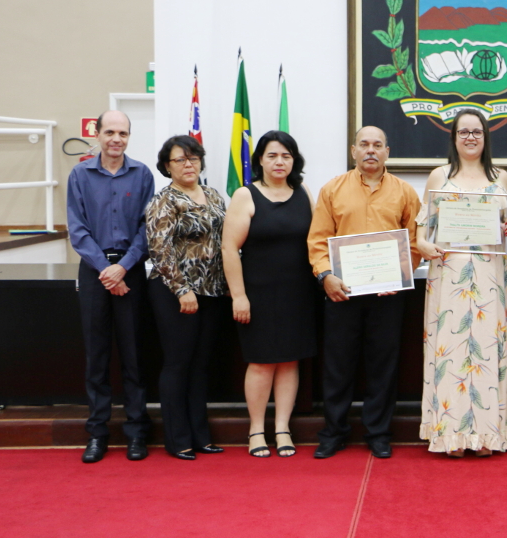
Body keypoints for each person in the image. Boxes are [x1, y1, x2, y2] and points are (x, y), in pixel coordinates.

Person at [307, 126, 421, 459]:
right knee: (338, 365)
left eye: (378, 145)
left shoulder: (404, 193)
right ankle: (334, 431)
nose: (371, 151)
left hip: (388, 296)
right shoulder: (332, 190)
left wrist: (400, 276)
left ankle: (378, 432)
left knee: (383, 364)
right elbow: (317, 240)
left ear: (388, 152)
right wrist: (326, 276)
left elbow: (414, 243)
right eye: (364, 145)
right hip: (342, 293)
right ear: (353, 150)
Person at [417, 111, 507, 457]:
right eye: (464, 132)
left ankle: (488, 435)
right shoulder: (439, 176)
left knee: (487, 353)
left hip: (489, 275)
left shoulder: (500, 178)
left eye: (477, 132)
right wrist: (424, 245)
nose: (471, 138)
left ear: (486, 136)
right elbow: (422, 227)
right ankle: (452, 437)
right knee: (452, 353)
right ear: (454, 137)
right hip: (448, 277)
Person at [222, 131, 318, 458]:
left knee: (290, 361)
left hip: (298, 293)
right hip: (257, 295)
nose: (280, 162)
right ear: (260, 159)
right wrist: (239, 296)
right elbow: (229, 249)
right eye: (273, 155)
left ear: (294, 160)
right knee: (262, 363)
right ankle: (256, 430)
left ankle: (282, 427)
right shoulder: (245, 196)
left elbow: (317, 241)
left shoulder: (304, 192)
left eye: (286, 156)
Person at [66, 110, 154, 463]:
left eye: (123, 133)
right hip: (94, 272)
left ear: (129, 137)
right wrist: (106, 271)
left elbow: (147, 230)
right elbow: (77, 229)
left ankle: (136, 433)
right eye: (110, 132)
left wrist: (122, 268)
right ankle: (98, 433)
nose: (116, 139)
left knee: (134, 357)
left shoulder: (143, 173)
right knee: (97, 358)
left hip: (130, 270)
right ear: (98, 135)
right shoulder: (80, 174)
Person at [146, 135, 229, 460]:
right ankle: (178, 438)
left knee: (200, 366)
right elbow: (159, 249)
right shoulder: (163, 200)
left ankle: (201, 436)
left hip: (212, 290)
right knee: (178, 364)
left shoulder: (212, 195)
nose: (188, 164)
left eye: (193, 158)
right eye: (180, 159)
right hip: (174, 292)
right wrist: (182, 290)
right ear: (167, 166)